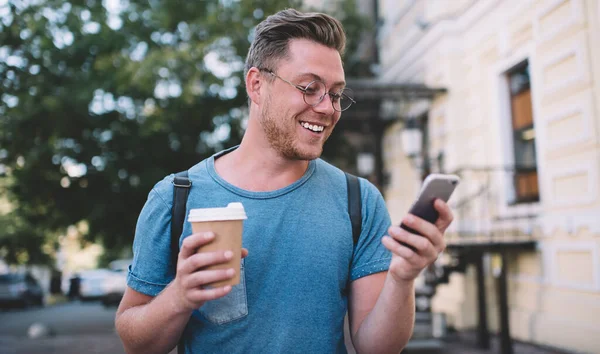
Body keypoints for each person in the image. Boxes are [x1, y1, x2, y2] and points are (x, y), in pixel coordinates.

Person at [115, 8, 453, 354]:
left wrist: (402, 277)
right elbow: (135, 342)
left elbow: (376, 348)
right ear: (257, 85)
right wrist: (179, 296)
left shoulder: (359, 200)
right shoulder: (175, 197)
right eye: (310, 88)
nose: (327, 108)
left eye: (336, 94)